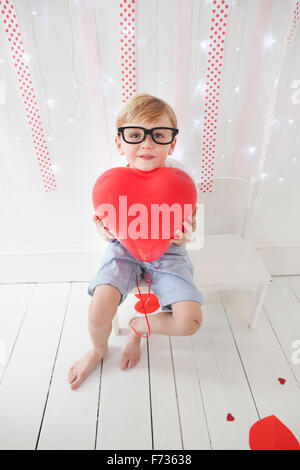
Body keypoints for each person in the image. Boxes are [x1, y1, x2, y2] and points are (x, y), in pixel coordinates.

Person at [68, 94, 203, 390]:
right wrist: (106, 232)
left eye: (159, 135)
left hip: (169, 252)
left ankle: (138, 326)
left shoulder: (180, 179)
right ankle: (99, 350)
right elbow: (105, 228)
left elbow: (193, 226)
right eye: (134, 135)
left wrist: (186, 234)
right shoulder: (111, 180)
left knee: (190, 321)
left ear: (172, 142)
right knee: (98, 308)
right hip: (124, 250)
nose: (147, 143)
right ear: (119, 143)